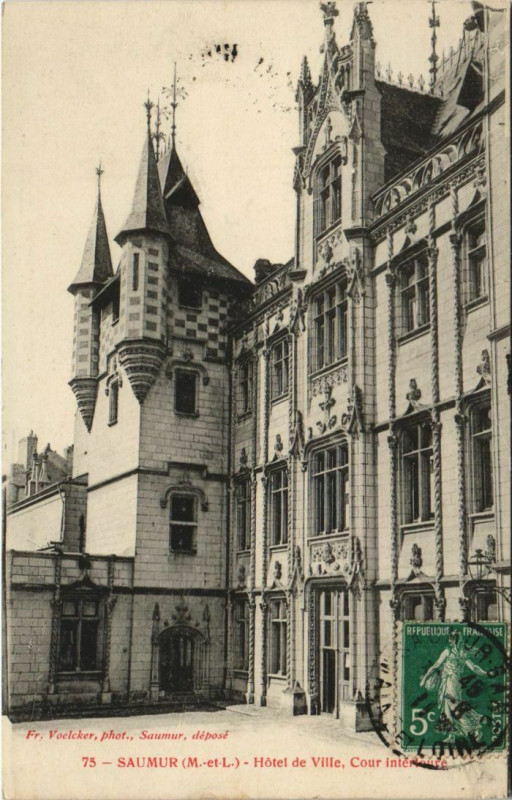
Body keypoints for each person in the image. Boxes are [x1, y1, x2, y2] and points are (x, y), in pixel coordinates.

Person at [420, 629, 488, 738]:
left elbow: (435, 666)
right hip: (450, 682)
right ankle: (451, 736)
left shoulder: (449, 651)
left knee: (454, 706)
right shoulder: (462, 652)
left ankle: (475, 726)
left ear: (453, 640)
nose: (450, 641)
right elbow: (474, 668)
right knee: (447, 706)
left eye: (451, 639)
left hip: (451, 682)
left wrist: (424, 680)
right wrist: (485, 673)